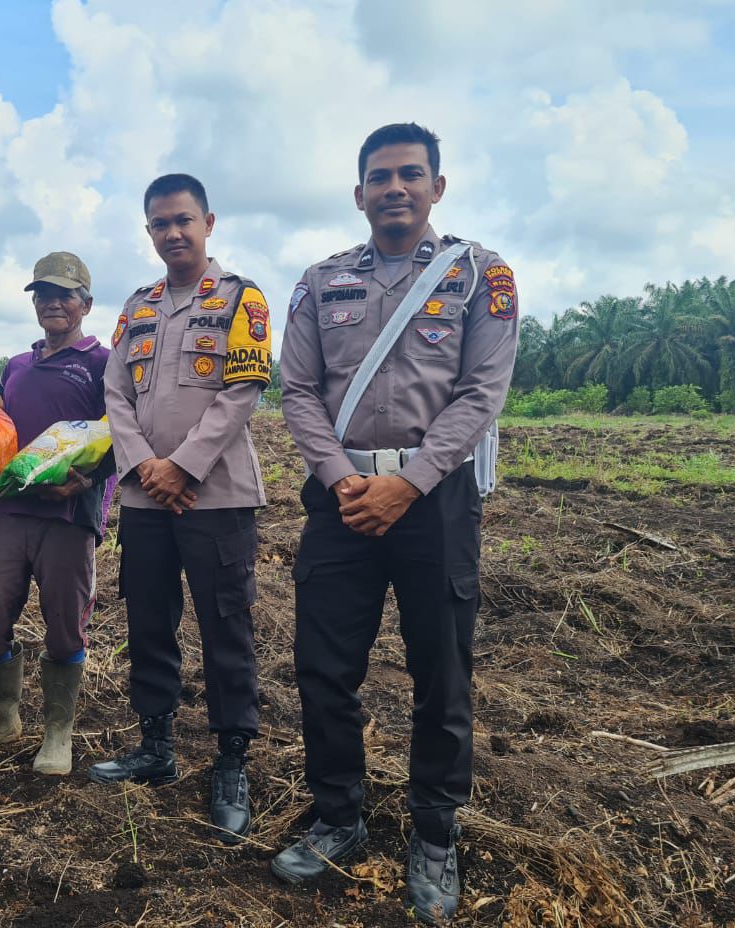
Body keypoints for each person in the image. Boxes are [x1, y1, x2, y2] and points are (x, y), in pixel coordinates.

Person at [271, 124, 518, 921]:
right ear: (359, 193)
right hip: (340, 500)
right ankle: (338, 815)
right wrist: (344, 478)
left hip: (435, 503)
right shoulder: (320, 281)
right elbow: (298, 392)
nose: (395, 189)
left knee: (441, 673)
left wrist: (408, 484)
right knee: (322, 667)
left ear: (437, 187)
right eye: (380, 177)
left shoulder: (482, 275)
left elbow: (482, 394)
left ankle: (435, 834)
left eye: (411, 175)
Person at [91, 174, 272, 845]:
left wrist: (183, 467)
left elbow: (243, 388)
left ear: (208, 223)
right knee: (149, 621)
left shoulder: (239, 299)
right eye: (161, 223)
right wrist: (144, 467)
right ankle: (156, 746)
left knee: (226, 629)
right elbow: (115, 390)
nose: (173, 233)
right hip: (144, 496)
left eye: (184, 220)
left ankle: (230, 764)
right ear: (149, 232)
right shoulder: (136, 308)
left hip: (216, 494)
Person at [0, 251, 113, 776]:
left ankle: (57, 731)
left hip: (67, 515)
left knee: (65, 624)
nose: (53, 303)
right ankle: (1, 719)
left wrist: (85, 480)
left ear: (86, 303)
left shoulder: (102, 363)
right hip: (5, 506)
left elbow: (122, 432)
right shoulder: (18, 364)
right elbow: (8, 430)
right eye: (43, 294)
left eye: (64, 294)